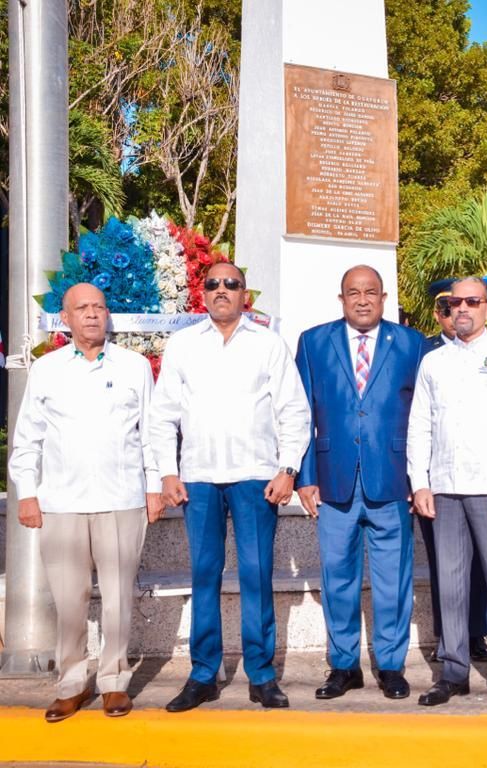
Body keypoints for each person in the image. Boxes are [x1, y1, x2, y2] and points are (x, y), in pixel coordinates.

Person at [152, 262, 311, 712]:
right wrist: (167, 471)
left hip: (256, 478)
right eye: (213, 284)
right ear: (202, 293)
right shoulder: (183, 345)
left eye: (231, 283)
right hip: (198, 479)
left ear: (246, 294)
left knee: (256, 576)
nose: (222, 290)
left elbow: (293, 411)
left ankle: (261, 675)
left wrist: (288, 469)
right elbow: (163, 415)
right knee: (204, 577)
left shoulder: (268, 345)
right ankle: (204, 673)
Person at [8, 283, 163, 722]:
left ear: (108, 315)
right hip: (61, 503)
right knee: (70, 602)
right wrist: (28, 494)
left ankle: (114, 682)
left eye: (99, 307)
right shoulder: (47, 369)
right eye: (82, 308)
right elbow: (28, 439)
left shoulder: (134, 367)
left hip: (122, 500)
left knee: (117, 600)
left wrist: (154, 486)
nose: (92, 314)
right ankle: (71, 683)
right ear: (66, 319)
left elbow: (149, 432)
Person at [294, 265, 425, 702]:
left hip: (392, 482)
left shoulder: (410, 343)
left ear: (384, 298)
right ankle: (344, 666)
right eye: (354, 293)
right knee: (338, 581)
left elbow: (424, 416)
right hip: (333, 483)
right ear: (342, 298)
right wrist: (305, 477)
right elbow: (302, 414)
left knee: (393, 582)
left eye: (371, 292)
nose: (363, 300)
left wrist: (417, 477)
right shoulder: (314, 343)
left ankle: (391, 666)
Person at [408, 277, 487, 708]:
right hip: (444, 490)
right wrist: (420, 482)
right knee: (451, 584)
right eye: (454, 302)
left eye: (472, 302)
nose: (462, 308)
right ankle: (453, 671)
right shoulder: (434, 363)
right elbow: (419, 427)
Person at [420, 278, 487, 663]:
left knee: (482, 562)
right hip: (440, 477)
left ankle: (477, 631)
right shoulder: (426, 354)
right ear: (439, 313)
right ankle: (447, 636)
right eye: (448, 308)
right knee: (443, 564)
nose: (455, 314)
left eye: (463, 305)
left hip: (482, 476)